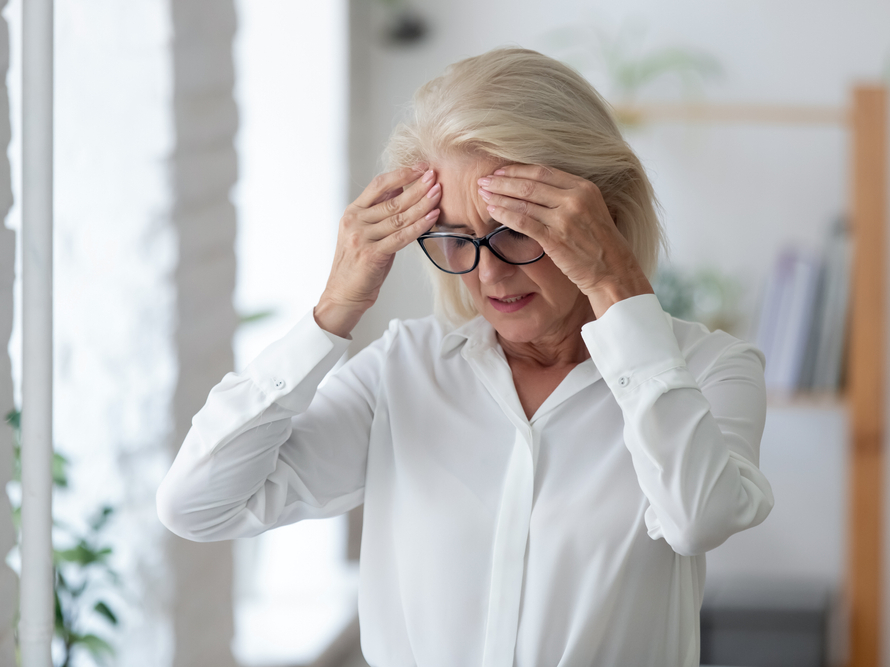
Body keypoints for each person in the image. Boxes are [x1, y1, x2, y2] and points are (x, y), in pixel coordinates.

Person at [157, 47, 773, 667]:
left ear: (600, 216)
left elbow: (698, 519)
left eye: (517, 230)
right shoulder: (403, 370)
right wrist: (335, 308)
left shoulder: (710, 370)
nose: (489, 274)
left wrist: (615, 283)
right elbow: (197, 505)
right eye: (456, 237)